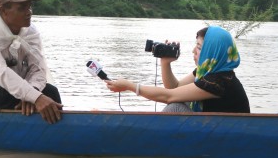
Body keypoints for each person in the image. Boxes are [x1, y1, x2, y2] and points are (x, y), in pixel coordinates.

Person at [105, 26, 250, 113]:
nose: (194, 51)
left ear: (213, 52)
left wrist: (129, 86)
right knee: (181, 101)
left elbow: (169, 96)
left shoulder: (219, 81)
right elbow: (175, 88)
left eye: (200, 48)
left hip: (225, 134)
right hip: (215, 128)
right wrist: (165, 63)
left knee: (174, 107)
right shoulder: (208, 73)